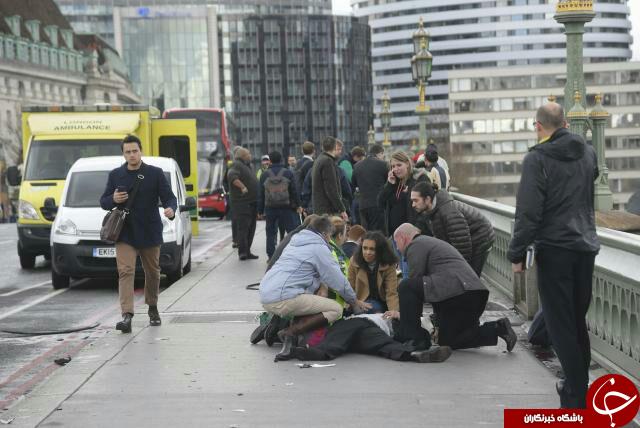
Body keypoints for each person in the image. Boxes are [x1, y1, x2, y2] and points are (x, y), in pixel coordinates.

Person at [507, 102, 600, 409]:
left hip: (556, 247)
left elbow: (529, 211)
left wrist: (517, 252)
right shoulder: (588, 152)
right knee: (576, 320)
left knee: (560, 325)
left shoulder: (538, 158)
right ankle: (579, 388)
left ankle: (575, 398)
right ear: (564, 122)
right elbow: (591, 184)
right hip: (585, 246)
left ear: (538, 126)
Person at [259, 216, 371, 360]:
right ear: (325, 234)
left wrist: (323, 285)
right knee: (335, 309)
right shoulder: (319, 247)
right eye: (329, 236)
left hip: (266, 294)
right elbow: (338, 280)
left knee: (309, 300)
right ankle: (289, 332)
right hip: (283, 297)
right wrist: (354, 301)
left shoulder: (296, 241)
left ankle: (281, 329)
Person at [393, 223, 517, 353]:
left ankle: (413, 339)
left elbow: (414, 283)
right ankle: (498, 328)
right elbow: (435, 286)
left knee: (406, 286)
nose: (397, 247)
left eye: (396, 243)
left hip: (459, 293)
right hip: (471, 295)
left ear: (402, 238)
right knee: (448, 340)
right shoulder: (432, 243)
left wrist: (404, 316)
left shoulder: (416, 244)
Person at [100, 134, 177, 333]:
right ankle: (127, 315)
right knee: (125, 271)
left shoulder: (155, 173)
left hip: (150, 230)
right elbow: (103, 202)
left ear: (140, 151)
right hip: (125, 232)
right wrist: (114, 198)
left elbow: (169, 198)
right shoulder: (115, 175)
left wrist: (171, 209)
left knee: (153, 272)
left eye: (135, 151)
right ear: (123, 154)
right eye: (128, 152)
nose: (132, 155)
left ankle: (152, 307)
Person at [287, 314, 452, 363]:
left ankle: (415, 355)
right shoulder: (419, 320)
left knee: (384, 344)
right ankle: (414, 354)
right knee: (384, 344)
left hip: (367, 331)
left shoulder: (421, 329)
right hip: (360, 323)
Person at [411, 182, 495, 276]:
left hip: (481, 236)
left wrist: (459, 269)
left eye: (416, 200)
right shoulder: (430, 211)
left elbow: (462, 245)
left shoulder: (448, 213)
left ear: (427, 199)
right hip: (469, 236)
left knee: (470, 277)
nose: (413, 205)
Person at [258, 150, 302, 261]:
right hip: (286, 207)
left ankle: (271, 256)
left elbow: (261, 194)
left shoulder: (264, 175)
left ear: (270, 161)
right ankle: (292, 254)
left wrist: (260, 210)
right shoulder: (288, 173)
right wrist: (298, 205)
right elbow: (293, 191)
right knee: (291, 231)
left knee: (271, 232)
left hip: (270, 208)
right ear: (281, 159)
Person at [378, 151, 429, 237]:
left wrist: (417, 229)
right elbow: (380, 202)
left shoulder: (419, 179)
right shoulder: (394, 182)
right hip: (394, 234)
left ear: (407, 164)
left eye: (399, 165)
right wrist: (390, 185)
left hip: (413, 233)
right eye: (393, 166)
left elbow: (426, 207)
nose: (396, 169)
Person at [348, 231, 399, 315]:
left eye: (372, 249)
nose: (367, 252)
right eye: (365, 248)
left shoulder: (388, 264)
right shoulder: (354, 261)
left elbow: (391, 292)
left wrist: (394, 311)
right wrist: (355, 302)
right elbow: (350, 287)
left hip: (382, 302)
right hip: (360, 301)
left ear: (380, 250)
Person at [226, 148, 259, 260]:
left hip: (251, 202)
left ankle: (247, 251)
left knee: (251, 228)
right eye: (249, 153)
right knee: (244, 228)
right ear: (243, 156)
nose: (250, 155)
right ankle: (242, 252)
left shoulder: (247, 165)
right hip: (242, 203)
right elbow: (232, 177)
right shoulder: (237, 165)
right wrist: (243, 187)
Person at [353, 144, 388, 232]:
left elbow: (354, 183)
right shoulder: (383, 165)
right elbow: (388, 183)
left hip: (363, 205)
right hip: (378, 205)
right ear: (380, 153)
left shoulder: (357, 166)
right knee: (379, 234)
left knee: (366, 233)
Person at [311, 137, 347, 220]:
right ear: (335, 147)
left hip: (320, 208)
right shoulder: (328, 161)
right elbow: (331, 189)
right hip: (328, 210)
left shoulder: (319, 159)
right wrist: (341, 209)